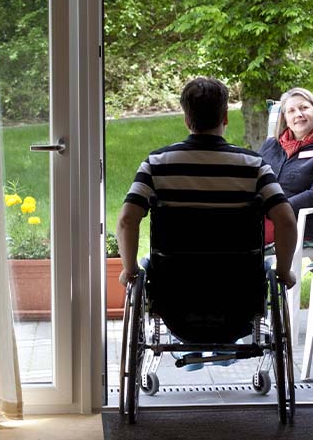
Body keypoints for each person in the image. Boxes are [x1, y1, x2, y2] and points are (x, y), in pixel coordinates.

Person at [116, 77, 299, 289]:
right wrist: (284, 272)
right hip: (239, 288)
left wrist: (130, 270)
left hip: (173, 288)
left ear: (186, 119)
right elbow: (286, 221)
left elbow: (126, 220)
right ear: (225, 118)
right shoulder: (254, 166)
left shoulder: (156, 164)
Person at [258, 87, 313, 244]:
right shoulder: (271, 145)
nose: (298, 114)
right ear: (285, 117)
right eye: (291, 111)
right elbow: (252, 180)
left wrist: (277, 208)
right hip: (261, 219)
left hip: (299, 227)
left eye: (304, 108)